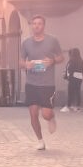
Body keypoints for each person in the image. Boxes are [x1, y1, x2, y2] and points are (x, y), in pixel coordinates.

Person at [19, 17, 64, 147]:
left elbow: (61, 57)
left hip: (47, 84)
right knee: (33, 113)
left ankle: (51, 117)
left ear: (43, 26)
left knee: (45, 114)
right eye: (34, 24)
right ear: (32, 26)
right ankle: (40, 141)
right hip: (31, 83)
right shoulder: (26, 43)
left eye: (39, 24)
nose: (36, 26)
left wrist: (53, 61)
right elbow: (21, 61)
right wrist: (26, 64)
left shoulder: (52, 40)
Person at [65, 46, 83, 111]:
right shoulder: (81, 60)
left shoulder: (72, 60)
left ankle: (69, 106)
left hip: (73, 78)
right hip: (79, 78)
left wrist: (68, 76)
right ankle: (77, 106)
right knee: (77, 92)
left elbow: (70, 69)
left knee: (70, 92)